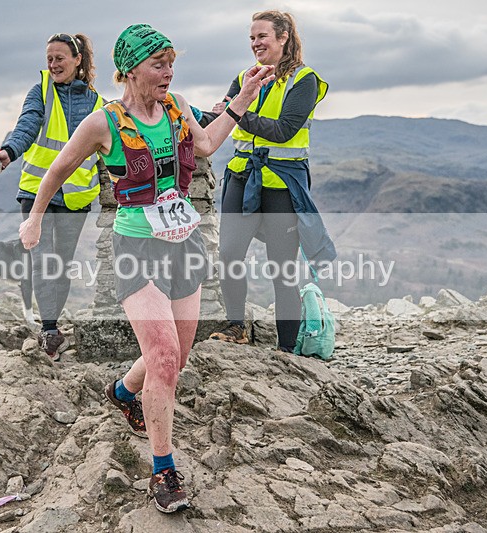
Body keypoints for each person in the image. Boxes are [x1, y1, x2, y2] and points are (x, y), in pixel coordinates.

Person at [19, 24, 274, 513]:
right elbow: (58, 168)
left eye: (171, 63)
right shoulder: (103, 123)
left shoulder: (175, 107)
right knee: (161, 358)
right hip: (137, 248)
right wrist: (34, 219)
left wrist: (240, 100)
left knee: (175, 356)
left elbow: (205, 146)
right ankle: (163, 471)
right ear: (131, 68)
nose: (169, 72)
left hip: (186, 243)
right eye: (159, 64)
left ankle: (121, 390)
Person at [205, 10, 336, 352]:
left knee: (282, 268)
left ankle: (287, 349)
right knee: (230, 254)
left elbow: (283, 131)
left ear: (283, 37)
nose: (255, 43)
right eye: (251, 38)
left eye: (262, 36)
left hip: (281, 185)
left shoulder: (305, 80)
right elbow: (220, 119)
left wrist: (235, 114)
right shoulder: (244, 76)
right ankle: (236, 327)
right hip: (242, 177)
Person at [0, 33, 103, 361]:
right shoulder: (40, 90)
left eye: (60, 58)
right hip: (36, 190)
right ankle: (50, 330)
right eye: (49, 59)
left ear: (78, 60)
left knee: (61, 264)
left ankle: (51, 325)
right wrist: (9, 152)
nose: (53, 64)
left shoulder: (97, 101)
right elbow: (27, 125)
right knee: (42, 261)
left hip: (76, 196)